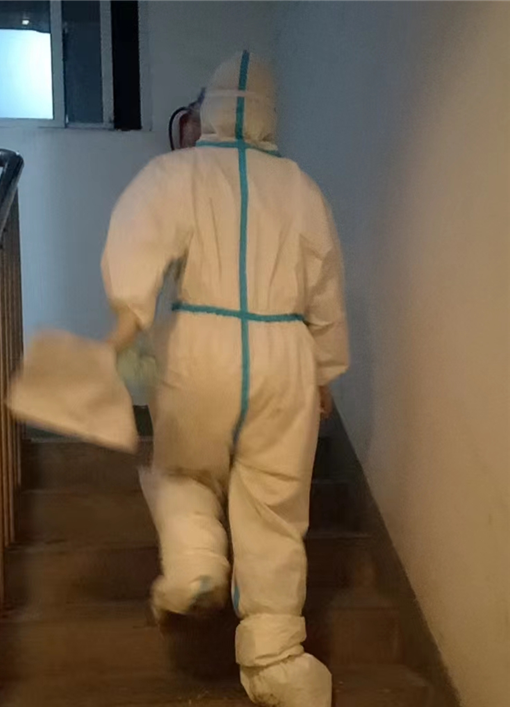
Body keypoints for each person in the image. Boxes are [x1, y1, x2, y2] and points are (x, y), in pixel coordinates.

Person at [102, 51, 349, 707]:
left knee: (185, 472)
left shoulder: (175, 174)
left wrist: (130, 318)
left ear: (208, 108)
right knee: (274, 508)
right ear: (270, 116)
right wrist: (324, 371)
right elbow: (325, 289)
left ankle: (194, 565)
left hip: (198, 345)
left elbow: (134, 240)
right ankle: (277, 660)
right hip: (284, 351)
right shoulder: (301, 188)